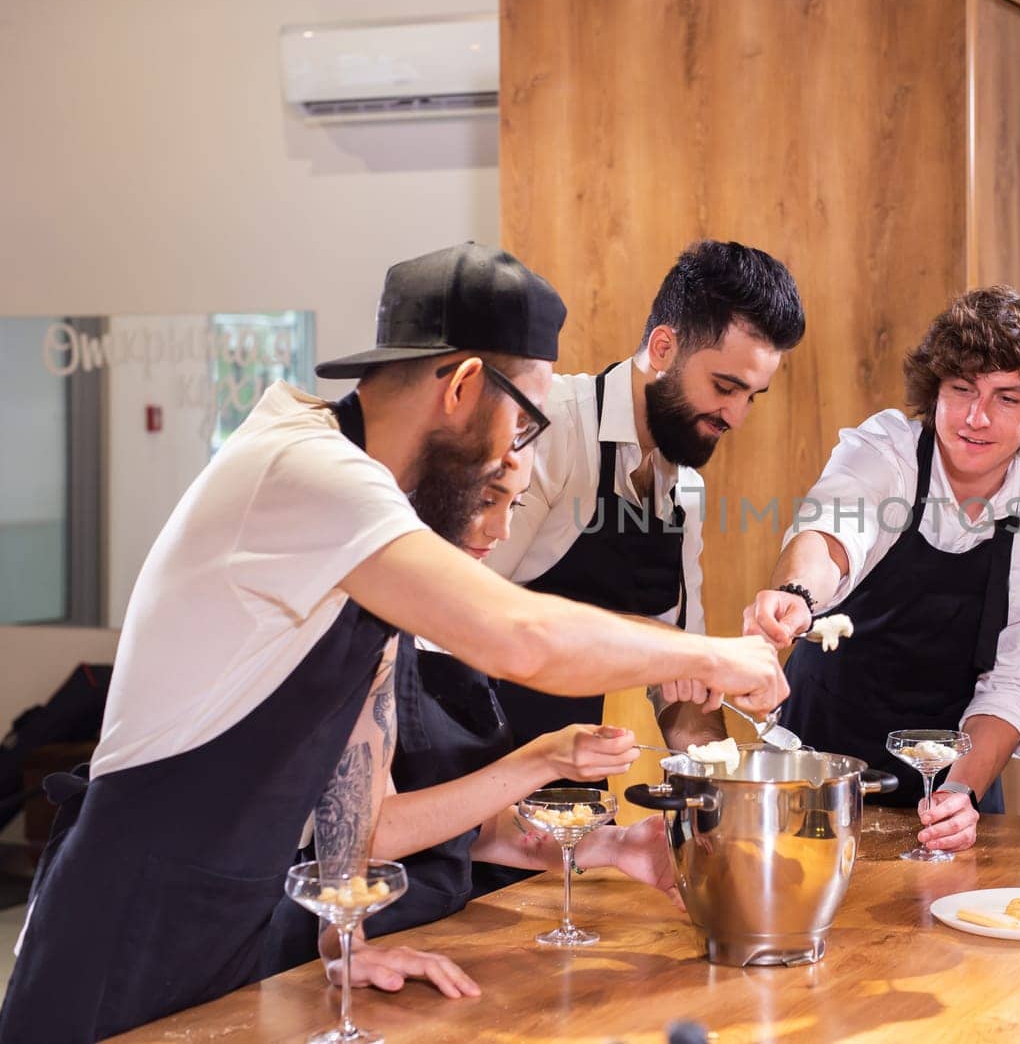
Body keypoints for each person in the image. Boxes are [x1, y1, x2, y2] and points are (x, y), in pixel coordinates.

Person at [0, 243, 785, 1042]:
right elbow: (522, 639)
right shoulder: (307, 467)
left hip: (233, 935)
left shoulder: (370, 525)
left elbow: (360, 816)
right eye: (524, 421)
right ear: (464, 384)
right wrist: (715, 655)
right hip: (123, 925)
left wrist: (346, 938)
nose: (520, 454)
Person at [264, 455, 679, 988]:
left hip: (435, 935)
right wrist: (542, 759)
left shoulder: (450, 629)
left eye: (516, 503)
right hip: (336, 956)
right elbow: (373, 832)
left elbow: (471, 830)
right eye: (487, 501)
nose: (503, 530)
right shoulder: (346, 624)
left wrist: (612, 846)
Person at [743, 286, 1020, 855]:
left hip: (951, 781)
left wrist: (960, 794)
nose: (977, 418)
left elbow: (1011, 684)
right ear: (936, 390)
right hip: (814, 767)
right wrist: (799, 595)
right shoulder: (887, 453)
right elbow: (831, 533)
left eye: (1007, 398)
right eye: (962, 390)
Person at [488, 239, 805, 753]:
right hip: (468, 760)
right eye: (725, 387)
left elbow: (678, 690)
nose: (737, 417)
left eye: (752, 396)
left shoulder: (685, 493)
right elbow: (481, 616)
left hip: (570, 787)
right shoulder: (552, 431)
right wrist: (692, 653)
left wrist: (719, 783)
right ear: (663, 348)